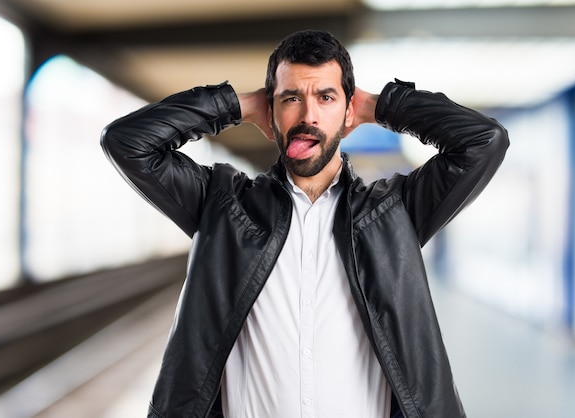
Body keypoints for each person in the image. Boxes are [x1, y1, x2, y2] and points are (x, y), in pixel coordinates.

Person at [101, 30, 508, 418]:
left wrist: (377, 105)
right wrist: (235, 104)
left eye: (326, 97)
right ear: (271, 110)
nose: (308, 114)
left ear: (348, 110)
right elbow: (128, 142)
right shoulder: (222, 206)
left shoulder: (393, 213)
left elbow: (482, 142)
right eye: (291, 98)